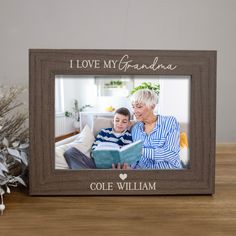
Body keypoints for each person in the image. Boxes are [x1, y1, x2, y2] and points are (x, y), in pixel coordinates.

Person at [64, 107, 133, 169]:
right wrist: (98, 155)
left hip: (113, 167)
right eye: (117, 120)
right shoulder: (104, 132)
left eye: (124, 122)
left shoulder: (128, 136)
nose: (120, 124)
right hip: (97, 163)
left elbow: (126, 154)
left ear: (129, 123)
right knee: (70, 152)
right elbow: (94, 148)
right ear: (113, 121)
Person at [130, 89, 182, 169]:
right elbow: (136, 160)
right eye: (133, 107)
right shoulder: (135, 129)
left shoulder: (170, 122)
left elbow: (171, 155)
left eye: (139, 106)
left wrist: (140, 151)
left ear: (152, 106)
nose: (134, 111)